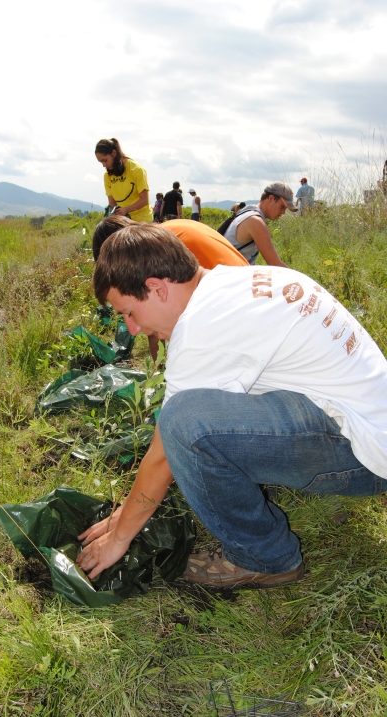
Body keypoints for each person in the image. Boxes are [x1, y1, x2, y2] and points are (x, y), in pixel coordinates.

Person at [77, 224, 387, 589]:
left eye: (129, 313)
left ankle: (265, 558)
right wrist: (125, 512)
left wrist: (119, 537)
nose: (132, 329)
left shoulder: (201, 330)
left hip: (364, 457)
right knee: (195, 416)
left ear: (156, 288)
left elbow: (166, 451)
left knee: (184, 424)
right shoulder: (241, 281)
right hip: (364, 425)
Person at [92, 214, 248, 359]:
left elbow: (156, 325)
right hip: (243, 281)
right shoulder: (162, 233)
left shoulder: (150, 254)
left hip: (230, 310)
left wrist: (159, 373)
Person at [223, 182, 297, 267]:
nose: (283, 212)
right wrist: (300, 279)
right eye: (282, 206)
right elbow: (275, 264)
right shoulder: (256, 221)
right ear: (271, 198)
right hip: (228, 275)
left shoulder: (249, 212)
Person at [95, 138, 153, 222]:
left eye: (105, 160)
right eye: (101, 162)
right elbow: (112, 203)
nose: (104, 165)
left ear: (114, 153)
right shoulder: (107, 176)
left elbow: (144, 200)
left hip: (142, 221)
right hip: (124, 220)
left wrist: (126, 209)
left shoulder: (136, 169)